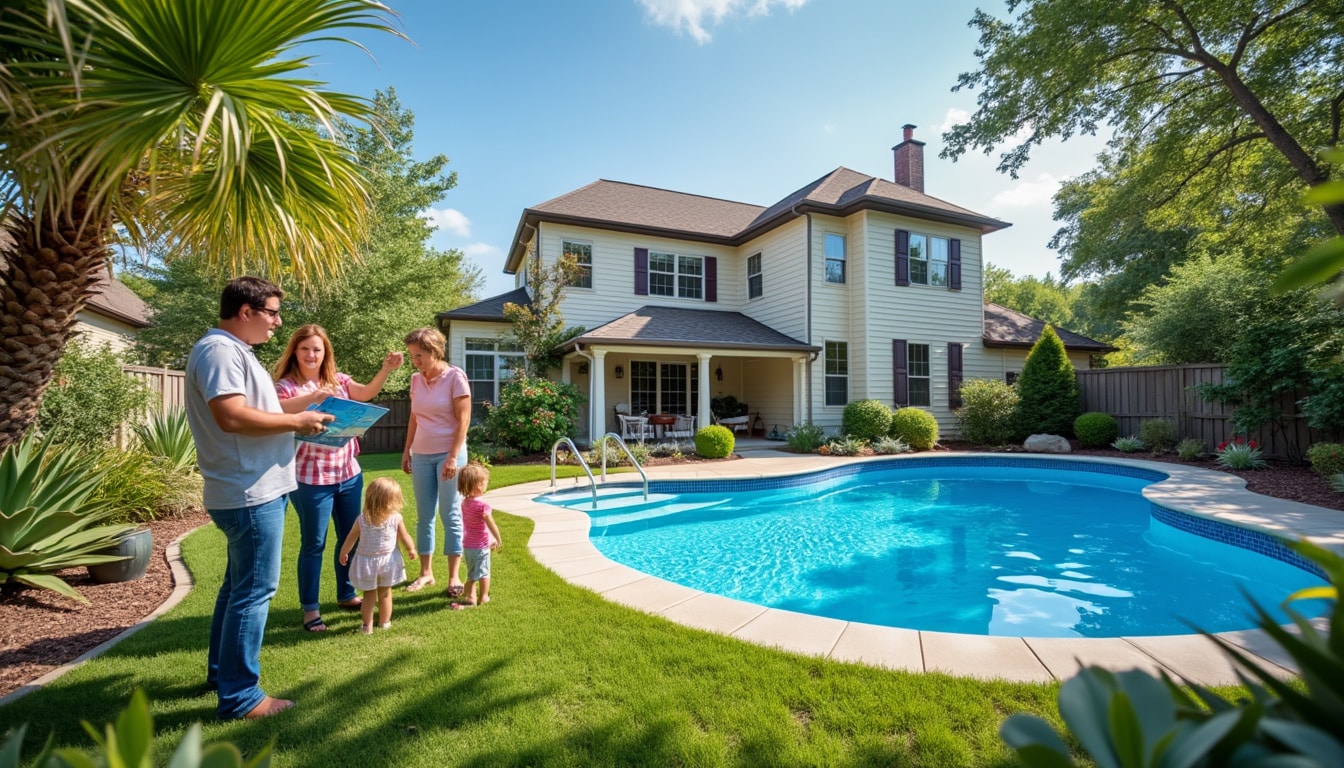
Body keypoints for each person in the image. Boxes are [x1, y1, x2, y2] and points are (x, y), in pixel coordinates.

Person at [184, 276, 334, 720]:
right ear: (245, 312)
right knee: (253, 592)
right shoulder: (219, 351)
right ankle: (240, 697)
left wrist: (308, 405)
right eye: (271, 312)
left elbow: (260, 408)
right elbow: (230, 416)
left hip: (252, 488)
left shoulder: (237, 352)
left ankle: (221, 674)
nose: (277, 322)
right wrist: (297, 424)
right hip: (249, 492)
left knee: (237, 590)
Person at [272, 325, 403, 633]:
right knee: (313, 544)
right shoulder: (286, 386)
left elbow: (366, 393)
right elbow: (278, 409)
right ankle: (310, 611)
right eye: (305, 349)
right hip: (309, 478)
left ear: (325, 352)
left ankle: (346, 593)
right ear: (295, 351)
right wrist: (313, 398)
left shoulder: (339, 380)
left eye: (317, 349)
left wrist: (385, 370)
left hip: (347, 474)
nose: (311, 355)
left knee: (351, 536)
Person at [401, 327, 472, 597]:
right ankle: (426, 573)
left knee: (450, 514)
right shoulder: (415, 380)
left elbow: (464, 419)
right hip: (421, 454)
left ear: (435, 351)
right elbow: (414, 418)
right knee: (424, 516)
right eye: (412, 356)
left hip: (448, 454)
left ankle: (454, 576)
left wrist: (453, 456)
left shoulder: (455, 377)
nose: (415, 361)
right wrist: (407, 450)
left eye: (419, 355)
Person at [338, 477, 417, 633]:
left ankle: (367, 626)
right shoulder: (395, 518)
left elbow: (351, 537)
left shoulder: (362, 519)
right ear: (390, 501)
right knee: (385, 594)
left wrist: (344, 552)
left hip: (367, 563)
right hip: (388, 562)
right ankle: (384, 622)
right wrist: (411, 549)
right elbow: (404, 536)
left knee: (369, 596)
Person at [450, 463, 501, 609]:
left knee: (472, 573)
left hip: (468, 546)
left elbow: (475, 525)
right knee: (484, 572)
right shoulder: (483, 506)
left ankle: (469, 597)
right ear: (477, 486)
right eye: (485, 482)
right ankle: (484, 596)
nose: (487, 484)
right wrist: (497, 538)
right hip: (481, 546)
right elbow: (490, 524)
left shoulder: (465, 503)